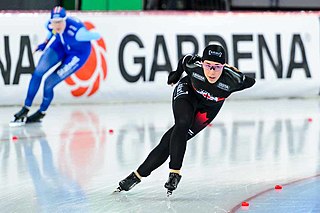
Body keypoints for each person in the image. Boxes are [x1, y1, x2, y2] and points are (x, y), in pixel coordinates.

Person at [115, 44, 256, 196]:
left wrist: (233, 72)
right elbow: (185, 60)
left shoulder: (234, 80)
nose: (212, 71)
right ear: (202, 63)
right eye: (208, 65)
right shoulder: (194, 66)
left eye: (217, 66)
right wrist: (176, 73)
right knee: (182, 124)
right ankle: (175, 173)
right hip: (188, 92)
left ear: (224, 66)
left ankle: (136, 176)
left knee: (170, 141)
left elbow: (251, 81)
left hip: (208, 108)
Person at [12, 6, 101, 123]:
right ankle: (25, 108)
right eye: (54, 22)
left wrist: (88, 33)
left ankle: (41, 112)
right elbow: (52, 31)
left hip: (77, 54)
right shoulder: (51, 25)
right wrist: (44, 43)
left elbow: (97, 35)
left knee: (48, 83)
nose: (57, 25)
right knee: (38, 72)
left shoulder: (78, 33)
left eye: (60, 22)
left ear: (65, 20)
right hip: (61, 45)